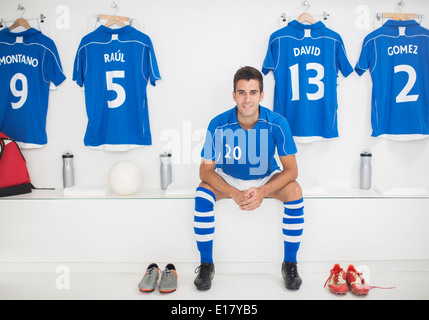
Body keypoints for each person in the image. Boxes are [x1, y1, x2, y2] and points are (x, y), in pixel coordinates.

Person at [193, 66, 305, 291]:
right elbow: (205, 171)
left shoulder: (277, 123)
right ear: (233, 95)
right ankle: (206, 264)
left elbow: (291, 170)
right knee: (202, 191)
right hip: (230, 179)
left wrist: (263, 191)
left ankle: (290, 264)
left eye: (253, 92)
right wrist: (234, 192)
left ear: (262, 95)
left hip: (265, 178)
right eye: (241, 92)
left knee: (294, 190)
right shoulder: (218, 123)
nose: (247, 99)